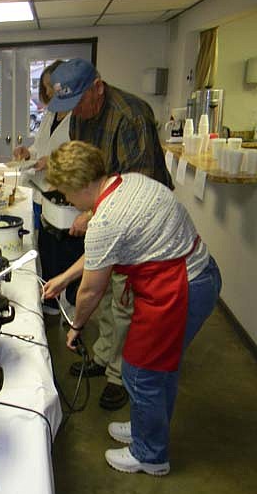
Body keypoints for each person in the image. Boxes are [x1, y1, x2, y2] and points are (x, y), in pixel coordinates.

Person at [44, 140, 221, 475]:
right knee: (158, 368)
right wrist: (65, 278)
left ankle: (151, 454)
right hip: (192, 275)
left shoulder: (105, 218)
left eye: (65, 192)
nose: (66, 200)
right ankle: (146, 427)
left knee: (142, 372)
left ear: (81, 186)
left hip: (182, 286)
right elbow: (102, 251)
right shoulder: (128, 183)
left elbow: (92, 290)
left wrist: (76, 326)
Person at [47, 57, 173, 410]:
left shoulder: (131, 115)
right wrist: (89, 209)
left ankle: (119, 374)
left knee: (122, 301)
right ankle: (102, 356)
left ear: (97, 88)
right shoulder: (79, 115)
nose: (74, 113)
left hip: (134, 222)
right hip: (103, 211)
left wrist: (92, 212)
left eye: (77, 103)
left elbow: (140, 181)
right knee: (103, 295)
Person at [14, 60, 83, 315]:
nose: (49, 93)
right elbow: (40, 145)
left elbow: (78, 155)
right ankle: (50, 298)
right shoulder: (51, 114)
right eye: (45, 88)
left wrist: (51, 162)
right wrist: (27, 152)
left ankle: (68, 303)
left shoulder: (78, 116)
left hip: (66, 193)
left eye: (52, 87)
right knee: (46, 248)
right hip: (41, 189)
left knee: (66, 249)